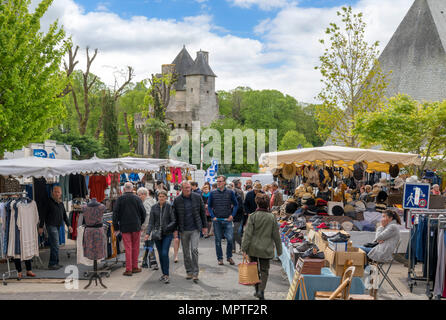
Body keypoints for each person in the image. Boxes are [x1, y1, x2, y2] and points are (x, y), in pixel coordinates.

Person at [241, 193, 282, 300]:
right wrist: (279, 249)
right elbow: (276, 235)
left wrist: (244, 248)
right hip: (266, 248)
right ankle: (261, 290)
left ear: (257, 203)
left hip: (253, 248)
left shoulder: (253, 216)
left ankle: (257, 290)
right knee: (264, 271)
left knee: (253, 270)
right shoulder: (272, 217)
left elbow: (247, 234)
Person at [172, 181, 207, 282]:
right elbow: (174, 216)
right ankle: (189, 271)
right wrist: (175, 229)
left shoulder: (197, 197)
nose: (188, 189)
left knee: (194, 250)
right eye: (186, 188)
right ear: (181, 189)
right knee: (186, 252)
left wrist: (204, 226)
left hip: (195, 228)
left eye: (189, 187)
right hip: (183, 229)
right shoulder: (177, 200)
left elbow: (202, 212)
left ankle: (196, 273)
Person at [113, 182, 147, 276]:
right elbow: (143, 212)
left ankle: (128, 269)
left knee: (127, 247)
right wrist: (140, 223)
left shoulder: (120, 199)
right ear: (132, 189)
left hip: (124, 226)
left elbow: (115, 214)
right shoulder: (137, 198)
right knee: (136, 247)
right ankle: (135, 267)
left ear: (124, 189)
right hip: (136, 226)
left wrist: (116, 227)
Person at [145, 190, 177, 284]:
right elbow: (151, 222)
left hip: (167, 234)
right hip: (157, 234)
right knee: (160, 254)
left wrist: (167, 227)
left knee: (164, 253)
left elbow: (174, 220)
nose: (161, 198)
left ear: (166, 197)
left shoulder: (169, 207)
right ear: (157, 197)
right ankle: (163, 274)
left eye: (163, 196)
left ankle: (166, 274)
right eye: (160, 196)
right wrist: (148, 233)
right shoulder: (154, 207)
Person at [38, 186, 72, 270]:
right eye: (55, 192)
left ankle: (55, 262)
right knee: (55, 245)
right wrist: (41, 227)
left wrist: (69, 225)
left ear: (60, 194)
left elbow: (64, 215)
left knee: (55, 245)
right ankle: (52, 263)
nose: (57, 193)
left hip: (58, 226)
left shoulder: (60, 203)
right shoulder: (48, 202)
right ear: (52, 192)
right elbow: (43, 215)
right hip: (51, 225)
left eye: (58, 192)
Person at [208, 175, 239, 265]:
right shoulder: (212, 193)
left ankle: (229, 257)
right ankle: (220, 258)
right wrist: (212, 216)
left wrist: (232, 215)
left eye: (220, 181)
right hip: (217, 220)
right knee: (218, 240)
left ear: (224, 182)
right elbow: (209, 206)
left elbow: (236, 204)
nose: (218, 183)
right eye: (217, 181)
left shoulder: (230, 192)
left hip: (227, 220)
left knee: (230, 239)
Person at [137, 187, 158, 270]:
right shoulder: (152, 200)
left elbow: (147, 217)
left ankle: (153, 262)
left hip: (148, 227)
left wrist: (143, 227)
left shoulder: (146, 203)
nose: (138, 197)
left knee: (149, 244)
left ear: (144, 194)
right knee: (147, 244)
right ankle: (145, 262)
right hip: (153, 226)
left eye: (139, 195)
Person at [232, 179, 245, 253]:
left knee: (236, 232)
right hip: (231, 217)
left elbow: (241, 206)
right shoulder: (228, 195)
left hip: (238, 217)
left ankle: (241, 245)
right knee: (232, 232)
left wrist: (233, 207)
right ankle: (233, 248)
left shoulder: (239, 194)